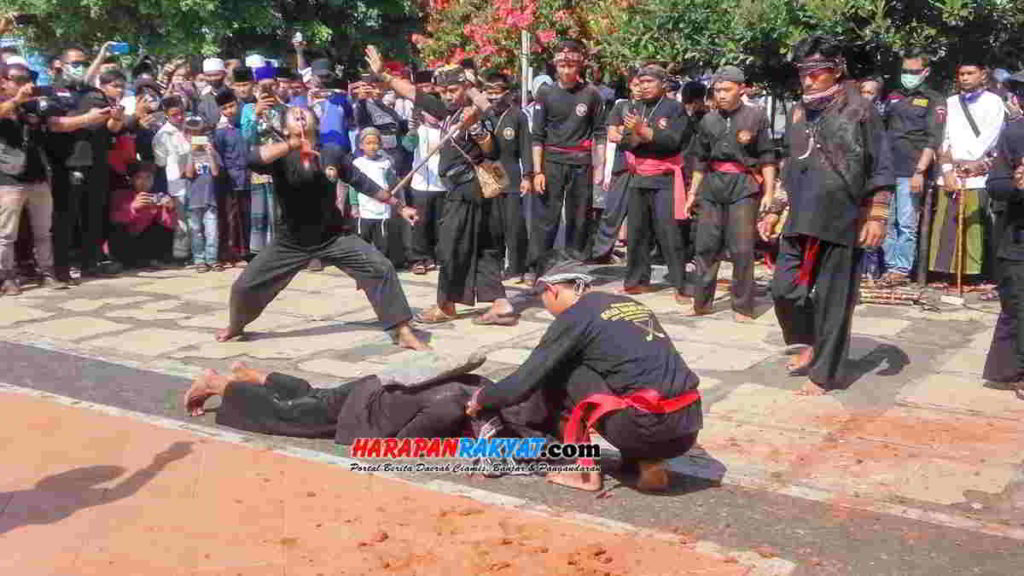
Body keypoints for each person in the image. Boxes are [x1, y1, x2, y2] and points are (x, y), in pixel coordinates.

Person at [465, 270, 703, 492]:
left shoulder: (576, 315)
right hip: (686, 429)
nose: (546, 307)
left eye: (542, 298)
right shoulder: (631, 304)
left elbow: (523, 383)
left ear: (552, 289)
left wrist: (482, 398)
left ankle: (580, 469)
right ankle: (647, 462)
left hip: (645, 429)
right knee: (627, 376)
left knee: (560, 369)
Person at [215, 106, 427, 351]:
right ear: (284, 128)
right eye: (294, 115)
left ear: (316, 121)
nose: (300, 115)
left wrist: (400, 206)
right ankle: (236, 325)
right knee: (244, 287)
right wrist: (290, 145)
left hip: (333, 236)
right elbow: (252, 159)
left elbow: (361, 182)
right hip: (291, 241)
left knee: (381, 268)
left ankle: (401, 329)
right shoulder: (279, 155)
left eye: (305, 113)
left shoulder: (331, 153)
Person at [770, 35, 894, 396]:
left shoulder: (861, 109)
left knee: (834, 300)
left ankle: (824, 373)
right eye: (803, 73)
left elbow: (881, 163)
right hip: (801, 216)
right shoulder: (798, 111)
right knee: (784, 289)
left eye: (817, 72)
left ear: (837, 71)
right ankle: (808, 342)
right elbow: (790, 163)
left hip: (843, 217)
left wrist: (877, 215)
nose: (808, 80)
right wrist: (776, 207)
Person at [367, 46, 518, 327]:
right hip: (467, 190)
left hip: (469, 190)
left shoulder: (478, 113)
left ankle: (446, 305)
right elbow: (413, 93)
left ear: (466, 87)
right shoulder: (446, 111)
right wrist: (384, 75)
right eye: (444, 91)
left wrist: (476, 127)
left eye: (454, 90)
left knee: (450, 246)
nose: (449, 95)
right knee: (483, 247)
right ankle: (501, 305)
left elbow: (491, 149)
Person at [183, 361, 490, 442]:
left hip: (374, 386)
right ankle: (218, 384)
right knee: (291, 415)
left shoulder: (483, 387)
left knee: (314, 396)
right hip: (364, 408)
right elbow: (406, 443)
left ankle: (254, 376)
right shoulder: (450, 406)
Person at [686, 66, 777, 321]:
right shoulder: (708, 120)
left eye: (726, 89)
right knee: (705, 246)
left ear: (741, 88)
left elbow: (768, 156)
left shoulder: (756, 116)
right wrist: (693, 192)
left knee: (742, 248)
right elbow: (700, 159)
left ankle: (743, 306)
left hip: (743, 186)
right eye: (717, 90)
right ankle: (701, 303)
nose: (721, 95)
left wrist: (769, 191)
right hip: (712, 185)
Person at [528, 40, 607, 282]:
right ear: (555, 66)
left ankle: (574, 267)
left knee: (580, 218)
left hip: (581, 162)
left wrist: (600, 168)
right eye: (562, 65)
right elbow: (537, 136)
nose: (566, 71)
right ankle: (536, 268)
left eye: (571, 65)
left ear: (579, 66)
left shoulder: (592, 94)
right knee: (546, 218)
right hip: (552, 162)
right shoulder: (546, 93)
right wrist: (537, 171)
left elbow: (600, 134)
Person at [613, 64, 692, 301]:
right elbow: (624, 142)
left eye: (650, 82)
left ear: (663, 84)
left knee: (670, 234)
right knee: (637, 233)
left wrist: (643, 132)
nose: (644, 87)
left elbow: (673, 141)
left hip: (665, 177)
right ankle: (637, 281)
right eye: (641, 82)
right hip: (639, 177)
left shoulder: (674, 108)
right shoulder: (634, 106)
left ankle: (680, 284)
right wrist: (637, 134)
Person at [930, 58, 1005, 281]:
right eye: (962, 74)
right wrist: (947, 168)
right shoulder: (950, 102)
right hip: (950, 171)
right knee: (946, 223)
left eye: (970, 73)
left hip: (977, 172)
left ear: (983, 75)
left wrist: (970, 164)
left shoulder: (994, 102)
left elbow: (991, 136)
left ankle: (972, 275)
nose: (965, 78)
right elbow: (943, 136)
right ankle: (945, 274)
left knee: (974, 225)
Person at [881, 52, 945, 286]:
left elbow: (933, 138)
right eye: (905, 72)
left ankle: (901, 268)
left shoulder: (933, 99)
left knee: (906, 223)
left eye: (914, 72)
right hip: (888, 168)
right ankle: (888, 266)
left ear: (926, 72)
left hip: (912, 170)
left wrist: (920, 171)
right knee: (887, 221)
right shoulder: (894, 96)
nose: (908, 76)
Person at [982, 74, 1024, 399]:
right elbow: (996, 184)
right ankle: (1012, 371)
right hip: (1017, 236)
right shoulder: (1014, 134)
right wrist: (1018, 186)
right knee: (1018, 304)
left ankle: (1009, 369)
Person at [484, 72, 533, 281]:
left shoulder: (517, 115)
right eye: (489, 93)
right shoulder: (483, 114)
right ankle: (494, 266)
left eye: (497, 93)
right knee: (493, 225)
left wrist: (527, 175)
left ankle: (516, 267)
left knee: (513, 224)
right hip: (489, 172)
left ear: (507, 93)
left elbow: (526, 148)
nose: (493, 97)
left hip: (511, 173)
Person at [589, 73, 640, 264]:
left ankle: (641, 255)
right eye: (636, 84)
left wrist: (625, 132)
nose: (640, 88)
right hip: (623, 166)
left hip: (646, 168)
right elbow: (612, 134)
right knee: (613, 211)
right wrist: (634, 133)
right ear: (630, 86)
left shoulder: (651, 108)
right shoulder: (621, 106)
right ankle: (601, 252)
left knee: (640, 215)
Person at [241, 64, 287, 254]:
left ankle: (283, 249)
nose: (268, 90)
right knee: (260, 212)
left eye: (271, 86)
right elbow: (246, 138)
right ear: (256, 88)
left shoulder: (285, 109)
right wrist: (256, 114)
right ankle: (261, 252)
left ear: (277, 86)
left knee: (281, 210)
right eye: (263, 87)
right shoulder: (248, 109)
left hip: (281, 165)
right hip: (259, 166)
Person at [404, 104, 445, 275]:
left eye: (438, 112)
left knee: (438, 224)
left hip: (442, 184)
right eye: (431, 112)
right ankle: (418, 258)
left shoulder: (447, 131)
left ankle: (434, 256)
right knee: (420, 222)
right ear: (423, 114)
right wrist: (412, 132)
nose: (434, 116)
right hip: (420, 184)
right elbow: (407, 146)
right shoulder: (418, 131)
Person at [108, 162, 174, 268]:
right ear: (132, 180)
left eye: (148, 177)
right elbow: (112, 220)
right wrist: (132, 208)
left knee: (161, 229)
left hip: (143, 242)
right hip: (125, 241)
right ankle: (121, 261)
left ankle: (151, 259)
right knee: (119, 228)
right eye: (139, 177)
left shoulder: (157, 197)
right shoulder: (119, 194)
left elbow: (169, 225)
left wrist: (169, 209)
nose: (144, 182)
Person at [351, 127, 401, 264]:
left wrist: (395, 202)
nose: (372, 146)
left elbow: (392, 184)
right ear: (361, 145)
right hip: (365, 210)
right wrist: (354, 206)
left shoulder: (386, 162)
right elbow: (353, 188)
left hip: (383, 211)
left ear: (380, 144)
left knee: (382, 242)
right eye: (368, 143)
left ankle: (382, 266)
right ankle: (363, 266)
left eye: (375, 143)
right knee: (363, 241)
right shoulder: (357, 163)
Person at [153, 95, 193, 262]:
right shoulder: (162, 135)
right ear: (167, 115)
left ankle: (196, 252)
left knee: (195, 219)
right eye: (175, 114)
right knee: (182, 221)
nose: (180, 117)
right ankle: (181, 255)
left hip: (194, 179)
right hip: (175, 181)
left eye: (182, 113)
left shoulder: (190, 127)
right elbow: (160, 162)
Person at [213, 88, 250, 266]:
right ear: (221, 111)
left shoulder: (243, 125)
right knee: (231, 217)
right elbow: (218, 154)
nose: (230, 111)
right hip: (230, 179)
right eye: (225, 108)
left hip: (246, 176)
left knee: (245, 215)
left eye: (232, 106)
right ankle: (229, 253)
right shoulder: (220, 132)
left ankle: (245, 251)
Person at [184, 116, 222, 272]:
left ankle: (212, 259)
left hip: (210, 198)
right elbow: (188, 174)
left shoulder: (211, 152)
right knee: (196, 231)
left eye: (199, 135)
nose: (196, 139)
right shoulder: (187, 153)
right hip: (193, 199)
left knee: (212, 231)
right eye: (193, 135)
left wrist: (211, 154)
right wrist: (192, 154)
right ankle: (199, 259)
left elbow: (215, 172)